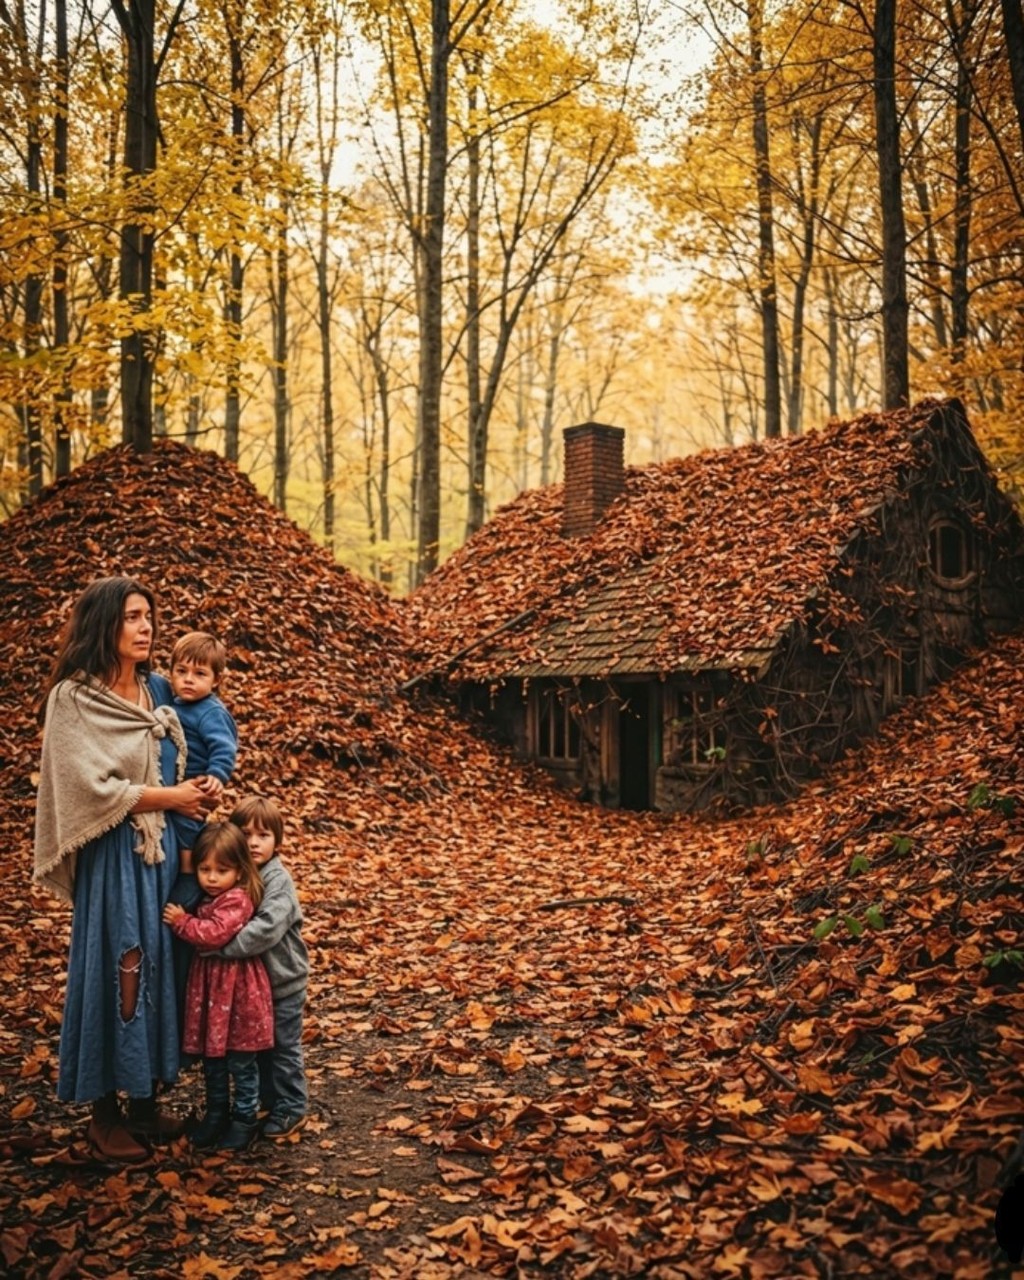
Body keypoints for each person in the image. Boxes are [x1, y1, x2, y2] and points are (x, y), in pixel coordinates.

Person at [33, 576, 215, 1163]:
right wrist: (174, 798)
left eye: (149, 617)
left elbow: (204, 730)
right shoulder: (75, 698)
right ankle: (102, 1113)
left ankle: (142, 1099)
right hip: (113, 857)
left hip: (161, 856)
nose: (146, 628)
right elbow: (90, 787)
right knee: (121, 964)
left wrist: (209, 782)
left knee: (160, 965)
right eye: (133, 617)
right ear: (104, 624)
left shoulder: (157, 689)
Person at [162, 822, 274, 1151]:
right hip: (211, 992)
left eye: (221, 870)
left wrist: (183, 921)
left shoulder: (237, 900)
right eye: (204, 869)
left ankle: (244, 1119)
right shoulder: (209, 896)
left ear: (239, 871)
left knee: (240, 1061)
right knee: (213, 1060)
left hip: (237, 994)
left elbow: (214, 933)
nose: (211, 878)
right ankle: (216, 1113)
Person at [223, 796, 309, 1140]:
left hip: (283, 980)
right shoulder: (236, 875)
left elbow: (267, 929)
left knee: (283, 1046)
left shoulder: (277, 880)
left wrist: (222, 948)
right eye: (245, 834)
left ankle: (292, 1104)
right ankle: (266, 1098)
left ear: (277, 840)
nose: (254, 842)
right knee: (257, 1045)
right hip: (252, 986)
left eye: (263, 835)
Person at [168, 630, 238, 872]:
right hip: (172, 781)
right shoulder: (172, 704)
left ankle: (188, 875)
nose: (188, 679)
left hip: (194, 781)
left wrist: (217, 774)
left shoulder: (210, 711)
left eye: (199, 674)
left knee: (187, 828)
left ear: (215, 680)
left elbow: (224, 746)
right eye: (181, 671)